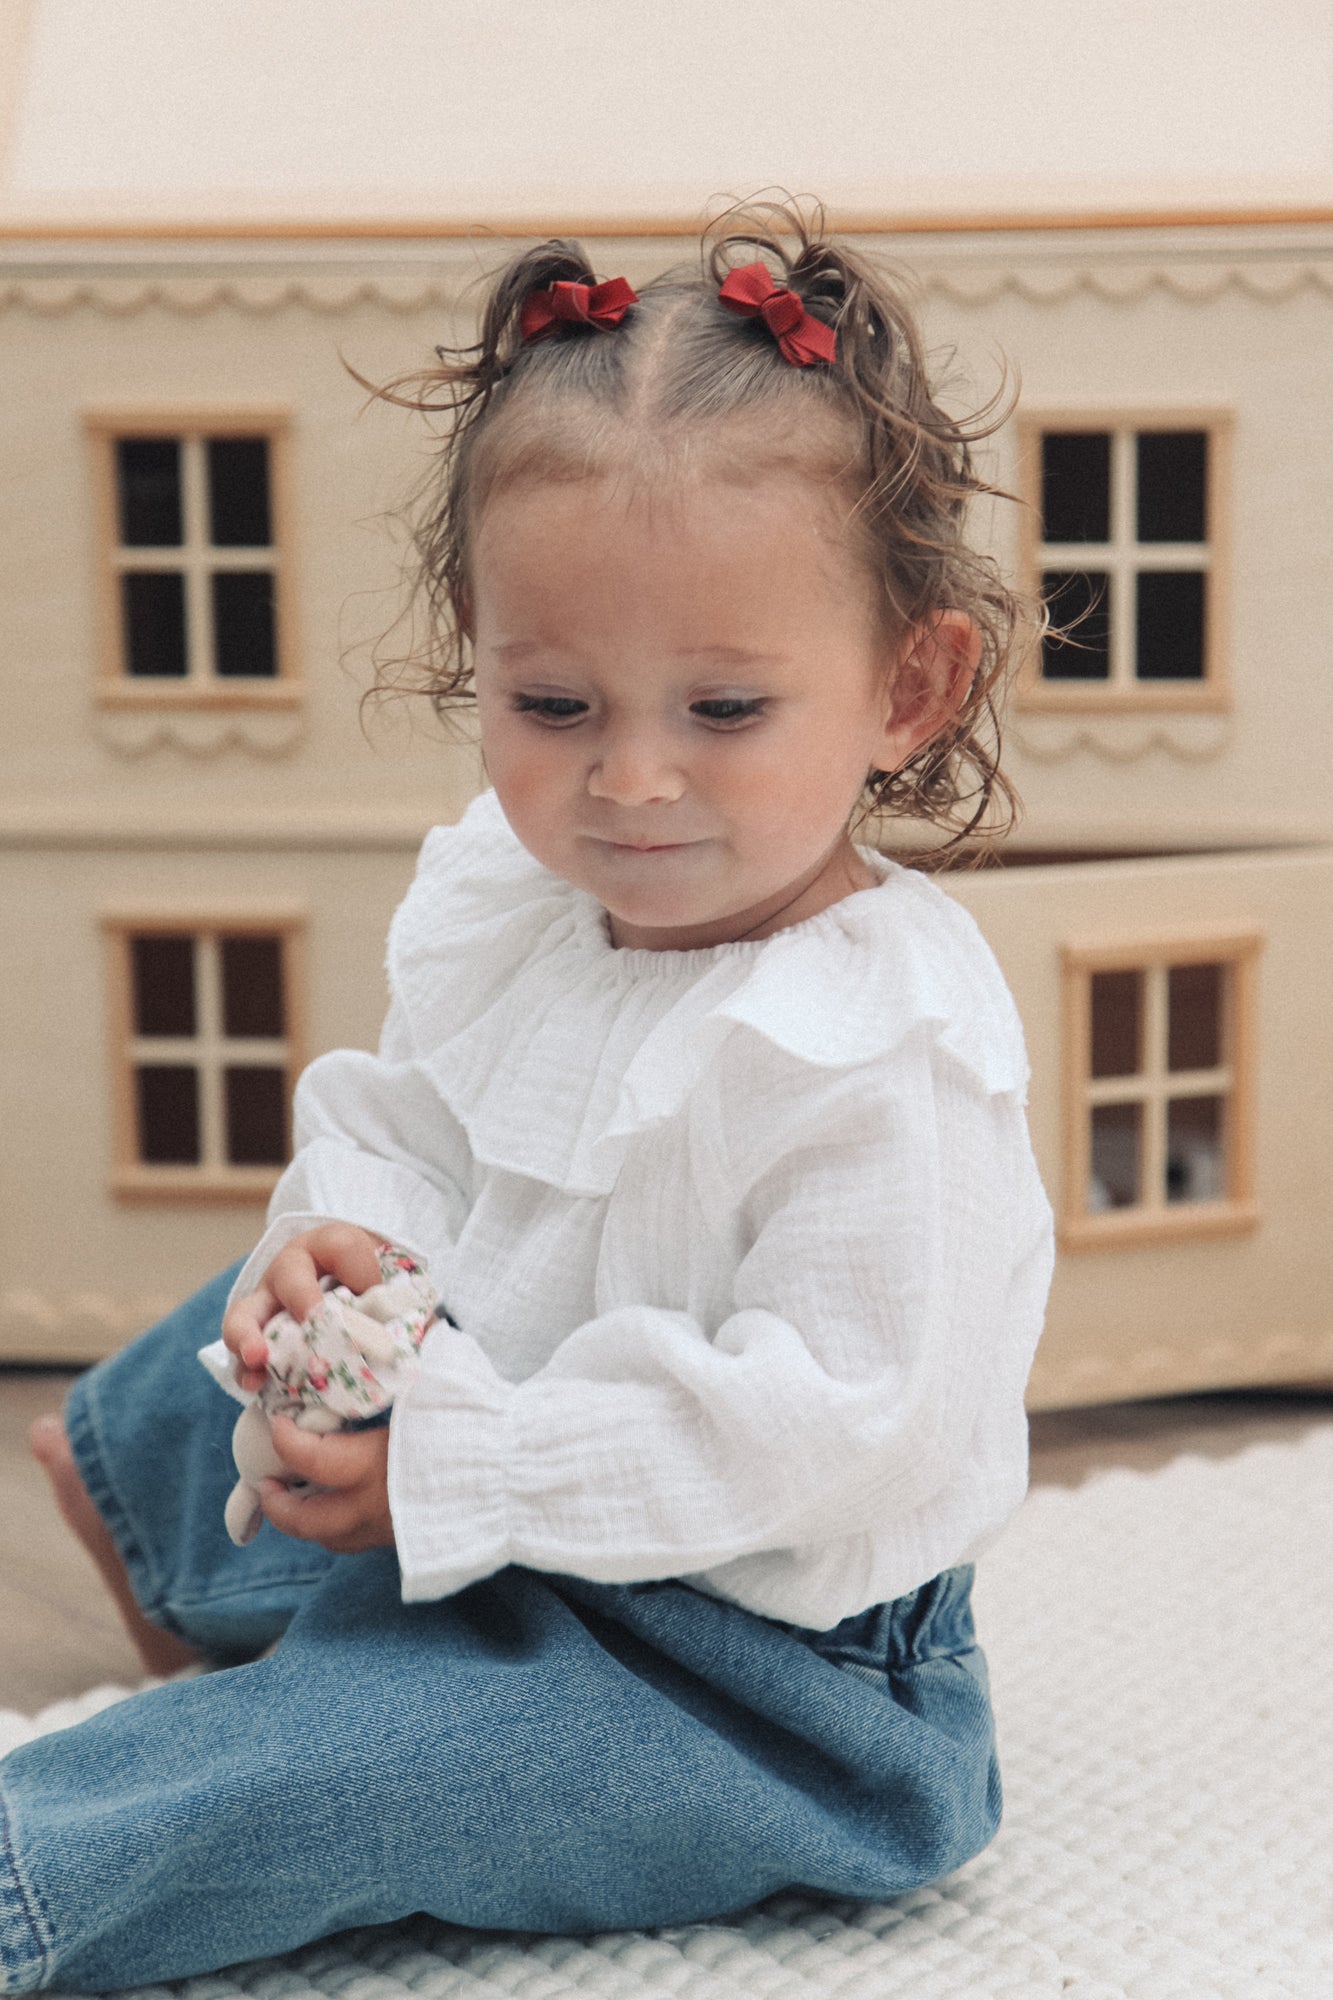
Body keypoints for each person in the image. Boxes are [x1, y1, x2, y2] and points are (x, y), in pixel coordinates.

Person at [9, 208, 1053, 1993]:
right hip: (516, 1485)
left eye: (723, 707)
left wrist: (464, 1465)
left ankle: (72, 1853)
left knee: (357, 1772)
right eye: (552, 700)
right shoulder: (520, 904)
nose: (629, 779)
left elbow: (821, 1431)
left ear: (907, 685)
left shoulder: (882, 1053)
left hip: (746, 1669)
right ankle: (124, 1578)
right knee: (220, 1341)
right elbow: (408, 1123)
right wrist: (329, 1251)